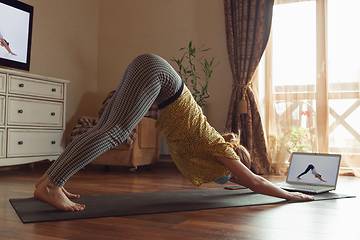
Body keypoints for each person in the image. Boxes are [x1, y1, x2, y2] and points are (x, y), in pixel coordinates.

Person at [34, 54, 314, 212]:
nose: (229, 178)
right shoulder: (221, 149)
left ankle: (47, 180)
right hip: (155, 73)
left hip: (151, 67)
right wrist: (290, 195)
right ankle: (52, 185)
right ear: (232, 161)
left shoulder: (207, 144)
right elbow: (254, 181)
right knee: (116, 133)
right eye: (232, 175)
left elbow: (245, 181)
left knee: (102, 129)